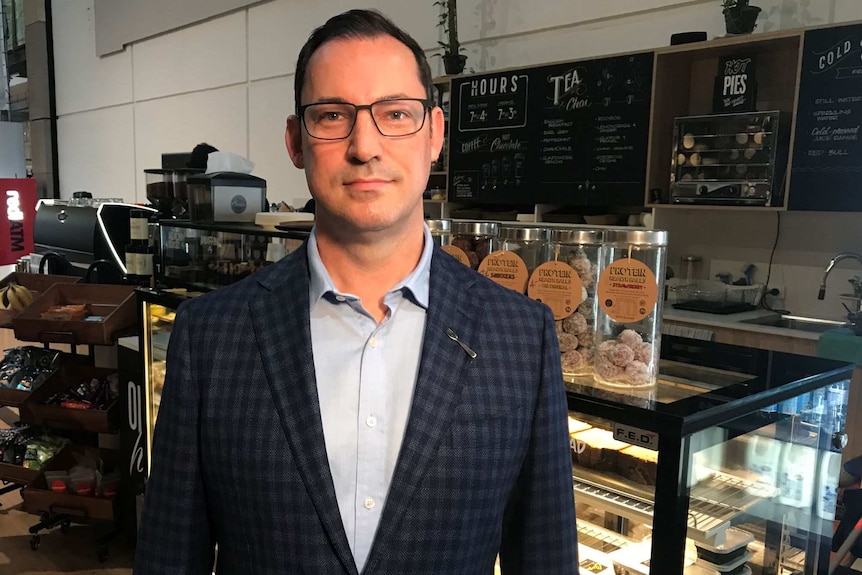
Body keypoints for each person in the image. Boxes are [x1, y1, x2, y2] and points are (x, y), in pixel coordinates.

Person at [134, 9, 576, 575]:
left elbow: (545, 560)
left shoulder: (521, 337)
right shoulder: (212, 336)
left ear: (435, 134)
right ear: (296, 141)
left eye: (395, 113)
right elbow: (171, 557)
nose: (365, 145)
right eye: (333, 116)